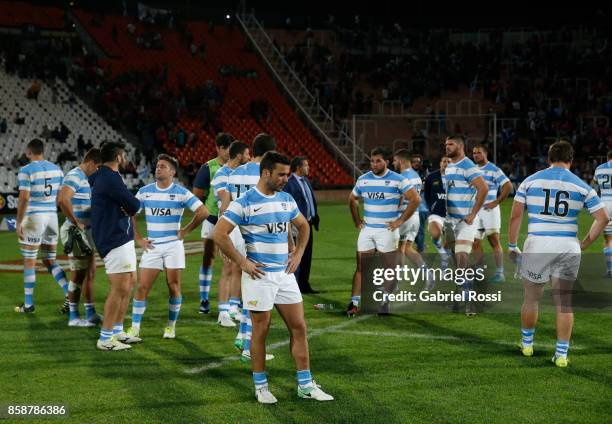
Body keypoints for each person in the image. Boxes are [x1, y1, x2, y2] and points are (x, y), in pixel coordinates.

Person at [214, 151, 334, 404]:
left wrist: (298, 254)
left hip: (284, 275)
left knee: (299, 327)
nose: (285, 179)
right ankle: (261, 387)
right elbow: (220, 233)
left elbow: (303, 226)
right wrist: (243, 262)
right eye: (281, 174)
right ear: (266, 172)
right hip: (259, 277)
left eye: (288, 175)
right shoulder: (244, 202)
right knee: (260, 331)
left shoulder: (287, 199)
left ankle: (305, 384)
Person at [509, 140, 608, 367]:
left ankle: (527, 345)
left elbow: (515, 215)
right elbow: (603, 218)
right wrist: (585, 242)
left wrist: (513, 245)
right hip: (567, 246)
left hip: (538, 244)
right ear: (571, 161)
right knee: (564, 303)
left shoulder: (529, 181)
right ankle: (561, 354)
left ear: (549, 158)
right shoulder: (582, 185)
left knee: (531, 298)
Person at [127, 154, 207, 340]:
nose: (158, 168)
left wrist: (185, 231)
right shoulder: (145, 191)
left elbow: (203, 211)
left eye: (163, 166)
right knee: (142, 287)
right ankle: (135, 328)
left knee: (173, 286)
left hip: (173, 247)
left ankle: (171, 326)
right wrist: (138, 238)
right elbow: (130, 213)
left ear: (172, 172)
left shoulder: (181, 192)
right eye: (157, 166)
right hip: (152, 246)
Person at [223, 133, 277, 361]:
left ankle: (242, 335)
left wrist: (222, 235)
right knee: (256, 287)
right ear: (267, 154)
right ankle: (247, 343)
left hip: (232, 229)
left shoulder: (233, 173)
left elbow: (225, 204)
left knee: (247, 283)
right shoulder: (265, 174)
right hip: (253, 232)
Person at [346, 147, 418, 317]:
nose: (374, 164)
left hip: (387, 231)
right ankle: (354, 303)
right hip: (367, 229)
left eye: (378, 160)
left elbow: (415, 199)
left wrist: (400, 221)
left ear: (387, 162)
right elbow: (352, 198)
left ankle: (384, 302)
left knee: (389, 269)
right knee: (361, 267)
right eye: (372, 160)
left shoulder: (398, 180)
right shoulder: (363, 179)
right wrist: (356, 220)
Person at [90, 141, 141, 351]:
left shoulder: (105, 175)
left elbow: (128, 205)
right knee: (119, 287)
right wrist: (128, 207)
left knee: (129, 283)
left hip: (121, 235)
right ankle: (105, 337)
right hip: (113, 237)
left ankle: (118, 330)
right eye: (124, 155)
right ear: (119, 157)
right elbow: (135, 205)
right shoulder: (109, 177)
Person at [15, 139, 68, 313]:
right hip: (52, 217)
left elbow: (24, 198)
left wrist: (18, 222)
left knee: (30, 261)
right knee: (50, 260)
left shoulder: (26, 170)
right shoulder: (57, 170)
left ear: (29, 152)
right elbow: (62, 198)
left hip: (34, 217)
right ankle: (70, 295)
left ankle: (28, 304)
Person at [57, 148, 103, 326]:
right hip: (75, 232)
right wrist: (76, 222)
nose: (98, 171)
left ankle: (90, 313)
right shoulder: (75, 175)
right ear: (91, 162)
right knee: (78, 275)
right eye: (98, 167)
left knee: (90, 273)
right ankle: (74, 317)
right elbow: (62, 200)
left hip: (87, 232)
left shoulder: (86, 179)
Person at [444, 135, 488, 316]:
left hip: (465, 222)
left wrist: (473, 213)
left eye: (451, 144)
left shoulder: (467, 165)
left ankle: (469, 303)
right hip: (450, 221)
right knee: (457, 263)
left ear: (460, 146)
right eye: (446, 144)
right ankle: (460, 296)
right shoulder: (449, 166)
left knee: (462, 259)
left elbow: (483, 189)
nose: (447, 147)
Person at [211, 141, 251, 327]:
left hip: (241, 225)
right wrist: (221, 236)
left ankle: (234, 307)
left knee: (239, 267)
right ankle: (223, 312)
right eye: (247, 154)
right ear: (239, 155)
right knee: (227, 268)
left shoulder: (242, 173)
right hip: (229, 225)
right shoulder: (222, 174)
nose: (249, 157)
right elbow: (224, 204)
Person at [193, 132, 233, 314]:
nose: (227, 152)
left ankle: (233, 302)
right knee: (208, 257)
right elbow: (197, 196)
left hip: (232, 221)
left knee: (233, 262)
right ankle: (204, 298)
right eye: (224, 148)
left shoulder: (238, 168)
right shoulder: (208, 167)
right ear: (218, 148)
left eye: (230, 148)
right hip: (211, 219)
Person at [471, 144, 512, 283]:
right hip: (476, 211)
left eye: (479, 153)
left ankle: (500, 273)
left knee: (494, 241)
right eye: (474, 153)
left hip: (490, 211)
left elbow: (508, 186)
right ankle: (479, 270)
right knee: (475, 241)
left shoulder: (494, 169)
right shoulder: (472, 170)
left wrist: (496, 202)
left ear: (485, 154)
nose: (476, 155)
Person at [391, 149, 432, 288]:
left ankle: (393, 282)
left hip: (403, 216)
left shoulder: (402, 177)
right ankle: (427, 274)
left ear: (401, 161)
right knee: (406, 248)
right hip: (415, 216)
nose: (393, 163)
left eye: (395, 160)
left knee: (393, 249)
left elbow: (401, 198)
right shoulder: (416, 176)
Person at [283, 156, 320, 294]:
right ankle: (294, 285)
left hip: (307, 224)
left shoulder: (305, 181)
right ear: (298, 167)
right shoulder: (290, 183)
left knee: (307, 256)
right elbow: (286, 204)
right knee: (296, 254)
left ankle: (304, 285)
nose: (308, 168)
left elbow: (309, 200)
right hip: (296, 226)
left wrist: (315, 216)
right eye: (306, 165)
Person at [423, 156, 450, 267]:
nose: (446, 164)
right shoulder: (431, 177)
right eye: (444, 161)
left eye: (449, 162)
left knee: (450, 243)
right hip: (436, 214)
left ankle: (444, 267)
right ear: (440, 163)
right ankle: (443, 254)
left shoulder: (457, 178)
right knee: (435, 234)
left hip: (452, 215)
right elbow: (427, 195)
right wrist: (432, 207)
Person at [593, 150, 612, 277]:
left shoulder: (599, 169)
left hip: (605, 205)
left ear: (607, 157)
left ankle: (610, 269)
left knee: (608, 239)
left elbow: (595, 185)